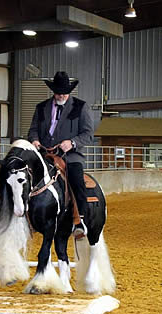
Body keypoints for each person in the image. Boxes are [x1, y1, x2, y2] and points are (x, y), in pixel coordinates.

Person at [28, 71, 94, 237]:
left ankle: (80, 220)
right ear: (53, 91)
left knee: (77, 180)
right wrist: (34, 140)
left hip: (70, 156)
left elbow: (88, 134)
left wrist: (72, 143)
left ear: (69, 92)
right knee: (22, 176)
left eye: (64, 92)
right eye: (58, 92)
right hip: (44, 153)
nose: (61, 95)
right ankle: (23, 217)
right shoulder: (41, 107)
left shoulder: (80, 107)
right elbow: (33, 130)